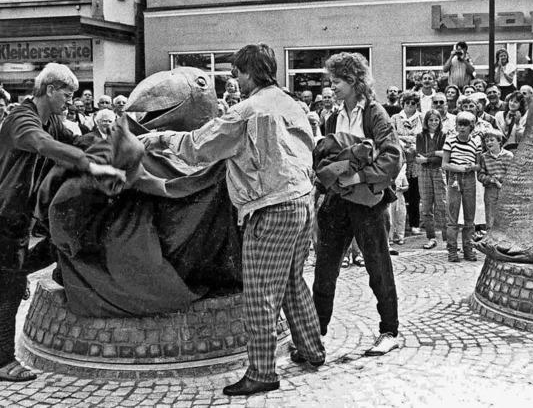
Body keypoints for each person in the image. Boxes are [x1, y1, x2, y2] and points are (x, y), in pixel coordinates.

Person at [139, 43, 325, 396]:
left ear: (250, 72)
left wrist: (158, 139)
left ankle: (262, 372)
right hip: (302, 201)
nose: (233, 79)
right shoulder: (291, 103)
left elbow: (198, 146)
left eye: (236, 72)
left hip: (270, 207)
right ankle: (312, 349)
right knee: (291, 282)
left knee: (259, 295)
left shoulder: (247, 111)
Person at [0, 63, 125, 382]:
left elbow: (77, 139)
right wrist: (91, 167)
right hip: (4, 216)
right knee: (9, 289)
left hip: (18, 218)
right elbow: (44, 145)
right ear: (50, 90)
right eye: (67, 94)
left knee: (15, 278)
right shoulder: (21, 119)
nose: (71, 100)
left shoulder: (51, 120)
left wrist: (117, 151)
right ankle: (2, 362)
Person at [313, 52, 402, 357]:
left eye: (336, 81)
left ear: (352, 81)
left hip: (366, 204)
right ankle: (316, 334)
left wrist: (359, 176)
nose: (332, 86)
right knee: (325, 269)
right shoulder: (333, 116)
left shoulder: (375, 113)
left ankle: (390, 331)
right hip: (337, 202)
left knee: (378, 267)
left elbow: (393, 156)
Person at [442, 111, 482, 262]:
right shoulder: (450, 141)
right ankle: (452, 250)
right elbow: (444, 164)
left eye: (466, 125)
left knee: (469, 218)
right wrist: (459, 168)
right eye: (460, 124)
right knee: (452, 217)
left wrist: (473, 167)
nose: (462, 128)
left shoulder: (476, 142)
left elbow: (479, 165)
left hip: (470, 179)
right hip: (455, 179)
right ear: (456, 125)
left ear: (471, 127)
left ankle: (468, 248)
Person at [391, 91, 423, 236]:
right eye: (407, 103)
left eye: (413, 103)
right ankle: (400, 227)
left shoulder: (422, 117)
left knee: (415, 193)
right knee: (401, 192)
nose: (410, 106)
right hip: (401, 158)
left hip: (417, 159)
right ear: (402, 103)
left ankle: (415, 224)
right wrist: (405, 142)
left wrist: (413, 142)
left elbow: (423, 136)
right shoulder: (395, 118)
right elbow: (393, 135)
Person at [415, 110, 447, 250]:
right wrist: (435, 155)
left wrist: (428, 157)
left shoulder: (444, 136)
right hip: (424, 172)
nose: (433, 123)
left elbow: (444, 156)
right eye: (431, 120)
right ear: (426, 122)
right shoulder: (420, 136)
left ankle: (447, 240)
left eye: (436, 120)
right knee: (426, 206)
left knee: (442, 205)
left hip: (439, 171)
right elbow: (418, 156)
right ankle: (431, 237)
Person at [477, 129, 514, 231]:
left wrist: (500, 180)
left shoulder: (508, 156)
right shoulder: (484, 157)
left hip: (505, 190)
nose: (489, 143)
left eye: (491, 140)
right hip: (491, 190)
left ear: (499, 141)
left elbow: (513, 174)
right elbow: (480, 175)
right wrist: (490, 180)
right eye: (486, 141)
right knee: (490, 215)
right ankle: (490, 239)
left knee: (506, 215)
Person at [388, 163, 409, 245]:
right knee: (390, 219)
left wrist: (401, 188)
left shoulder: (401, 174)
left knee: (400, 217)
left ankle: (400, 236)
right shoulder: (388, 174)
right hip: (390, 198)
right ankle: (390, 238)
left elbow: (406, 186)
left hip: (399, 198)